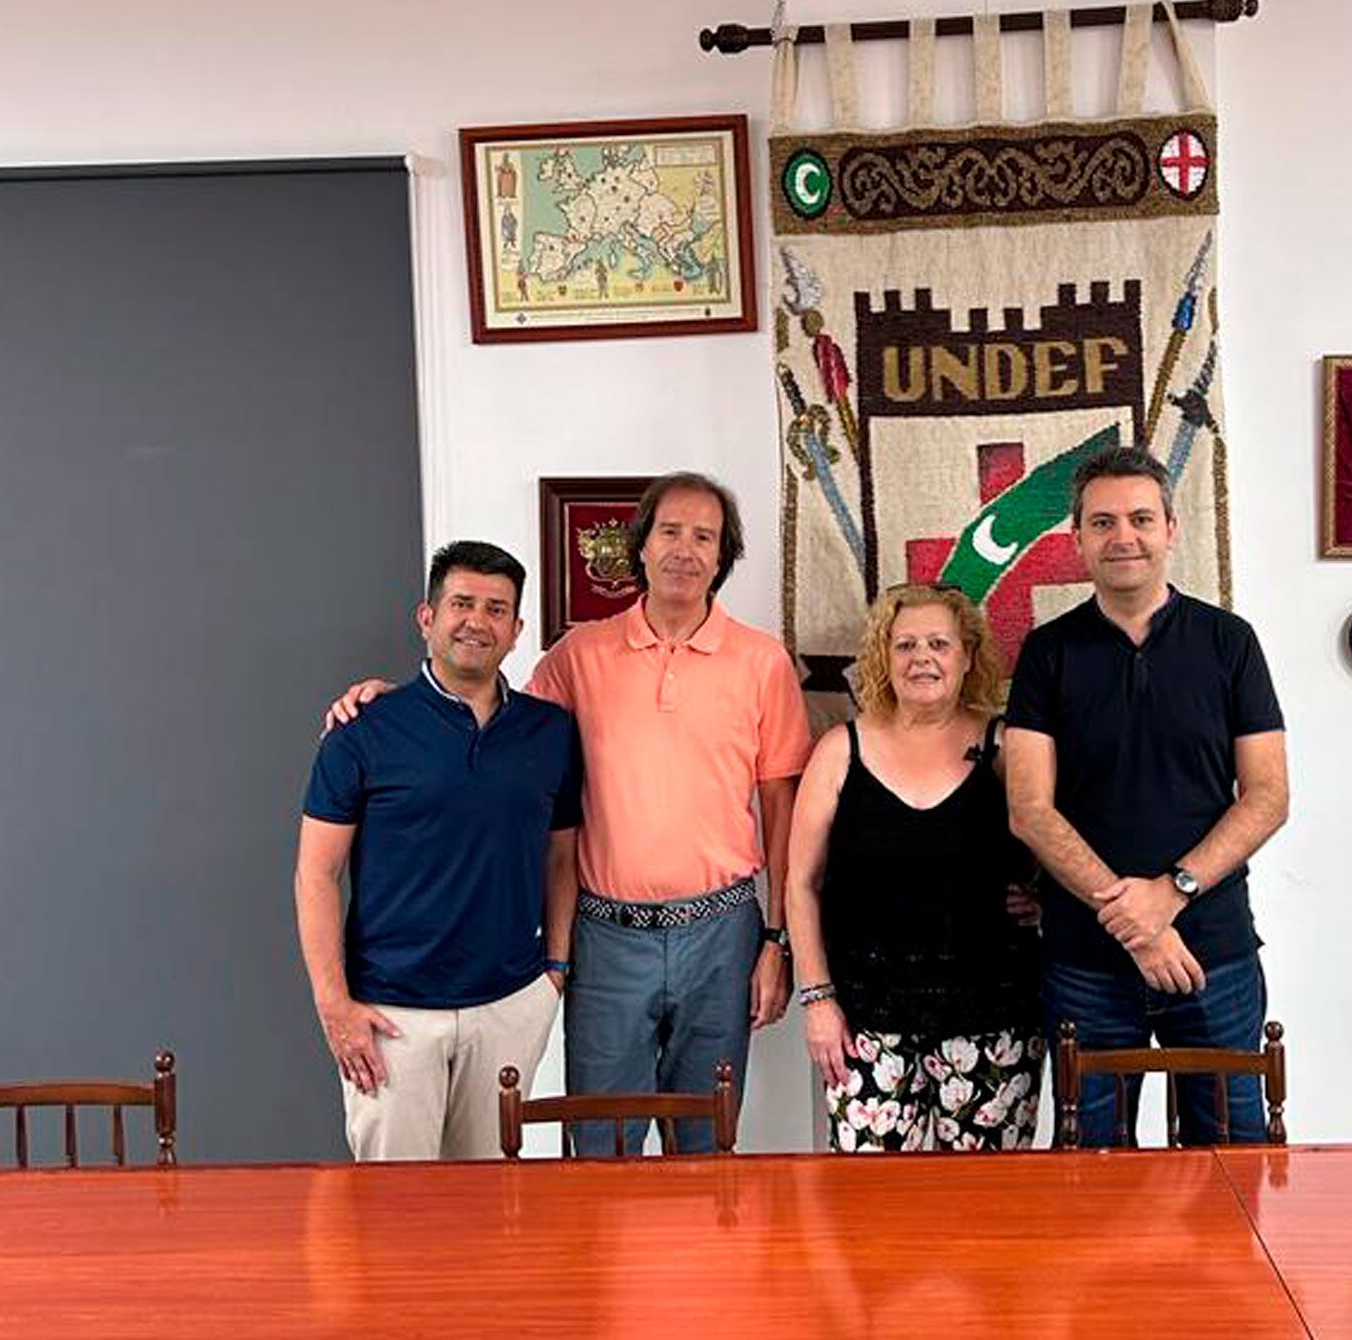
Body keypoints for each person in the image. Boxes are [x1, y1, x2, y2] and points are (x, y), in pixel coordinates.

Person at [330, 474, 808, 1154]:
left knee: (708, 1142)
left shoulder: (762, 663)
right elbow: (492, 727)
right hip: (606, 937)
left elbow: (780, 809)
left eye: (705, 536)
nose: (685, 549)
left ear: (724, 554)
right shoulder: (580, 655)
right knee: (600, 1146)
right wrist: (396, 701)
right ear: (640, 547)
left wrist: (776, 939)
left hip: (722, 934)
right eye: (669, 531)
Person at [1004, 447, 1289, 1146]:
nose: (1122, 536)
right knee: (1093, 1174)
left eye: (1139, 518)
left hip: (1213, 952)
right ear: (1076, 541)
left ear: (1171, 529)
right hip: (1085, 961)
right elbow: (1030, 810)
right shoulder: (1046, 654)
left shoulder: (1230, 643)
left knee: (1233, 1156)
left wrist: (1173, 892)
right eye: (1102, 523)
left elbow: (1268, 794)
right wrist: (1135, 920)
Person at [295, 541, 582, 1161]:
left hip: (509, 1004)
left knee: (491, 1210)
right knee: (396, 1219)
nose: (477, 621)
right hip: (391, 1014)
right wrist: (334, 1006)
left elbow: (563, 858)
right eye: (461, 604)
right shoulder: (363, 730)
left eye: (496, 609)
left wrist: (553, 973)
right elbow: (316, 874)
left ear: (516, 631)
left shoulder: (551, 732)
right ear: (426, 618)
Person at [784, 584, 1044, 1152]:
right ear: (883, 657)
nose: (921, 658)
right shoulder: (839, 749)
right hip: (864, 1022)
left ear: (968, 656)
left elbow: (1057, 839)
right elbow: (801, 884)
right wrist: (817, 1000)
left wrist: (1043, 896)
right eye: (904, 645)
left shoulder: (1004, 746)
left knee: (986, 1210)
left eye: (938, 644)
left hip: (993, 1019)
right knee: (871, 1211)